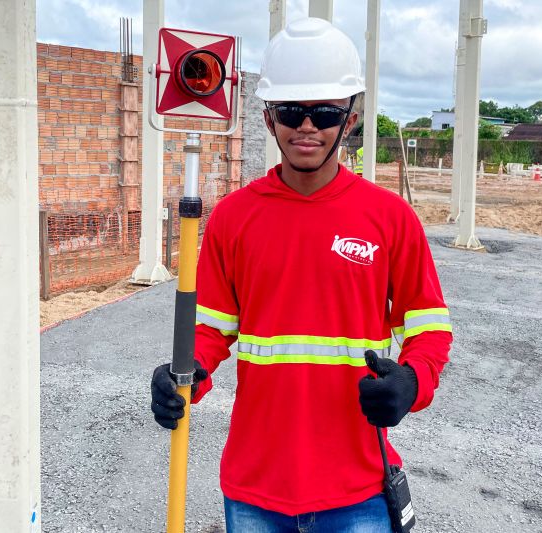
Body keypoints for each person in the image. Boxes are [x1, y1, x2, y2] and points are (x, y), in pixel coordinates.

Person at [151, 17, 452, 532]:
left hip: (359, 487)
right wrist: (184, 375)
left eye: (324, 113)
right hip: (255, 486)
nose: (306, 126)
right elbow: (213, 330)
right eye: (291, 111)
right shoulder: (233, 218)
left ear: (349, 119)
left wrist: (413, 381)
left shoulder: (389, 218)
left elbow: (428, 329)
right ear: (269, 118)